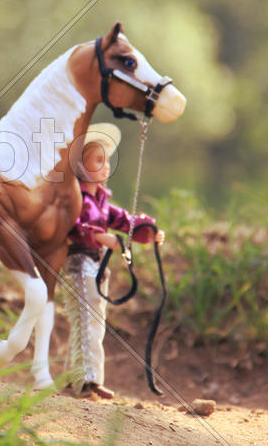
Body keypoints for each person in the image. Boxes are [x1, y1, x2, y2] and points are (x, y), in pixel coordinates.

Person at [63, 123, 164, 399]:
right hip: (78, 264)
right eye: (98, 160)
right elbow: (75, 225)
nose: (106, 166)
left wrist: (148, 230)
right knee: (87, 319)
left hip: (96, 267)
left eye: (106, 160)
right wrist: (100, 237)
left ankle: (72, 376)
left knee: (90, 320)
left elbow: (126, 222)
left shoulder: (103, 202)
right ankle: (86, 381)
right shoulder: (77, 198)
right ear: (80, 166)